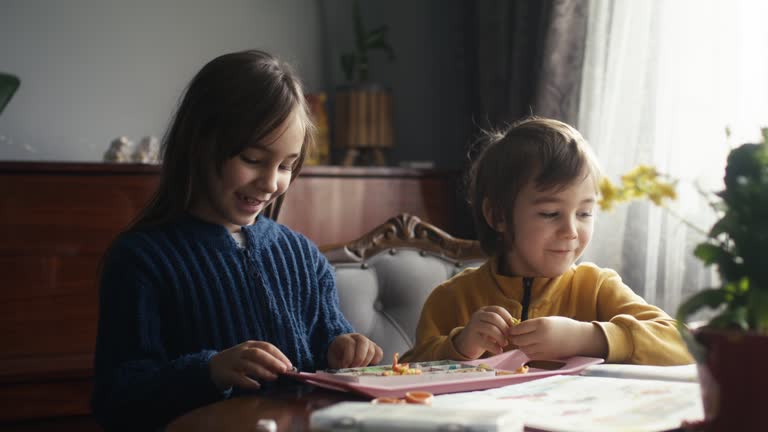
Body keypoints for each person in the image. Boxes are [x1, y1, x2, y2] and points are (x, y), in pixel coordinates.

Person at [91, 50, 383, 431]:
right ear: (200, 144)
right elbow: (118, 400)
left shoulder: (302, 255)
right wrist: (210, 370)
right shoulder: (141, 259)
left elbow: (329, 342)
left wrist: (344, 349)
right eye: (252, 159)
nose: (271, 182)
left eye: (286, 165)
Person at [401, 117, 692, 366]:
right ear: (498, 216)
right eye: (551, 213)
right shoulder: (452, 297)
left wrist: (587, 337)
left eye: (585, 213)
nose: (571, 230)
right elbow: (408, 371)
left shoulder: (596, 287)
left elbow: (685, 344)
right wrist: (460, 346)